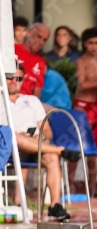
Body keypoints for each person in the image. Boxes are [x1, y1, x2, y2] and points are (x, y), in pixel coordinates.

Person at [1, 65, 80, 220]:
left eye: (18, 78)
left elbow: (47, 130)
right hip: (9, 145)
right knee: (15, 137)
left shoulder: (32, 100)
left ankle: (55, 205)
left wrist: (40, 137)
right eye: (10, 76)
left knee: (51, 157)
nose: (13, 81)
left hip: (35, 143)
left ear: (22, 81)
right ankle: (60, 150)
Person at [71, 27, 97, 197]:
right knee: (75, 147)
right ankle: (70, 185)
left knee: (94, 150)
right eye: (90, 43)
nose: (94, 46)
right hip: (81, 106)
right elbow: (83, 84)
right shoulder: (81, 61)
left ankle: (91, 189)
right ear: (85, 44)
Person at [15, 23, 50, 98]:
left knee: (55, 109)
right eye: (39, 37)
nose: (41, 42)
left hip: (26, 103)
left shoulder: (41, 63)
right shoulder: (13, 49)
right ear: (29, 33)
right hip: (7, 99)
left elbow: (36, 94)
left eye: (44, 40)